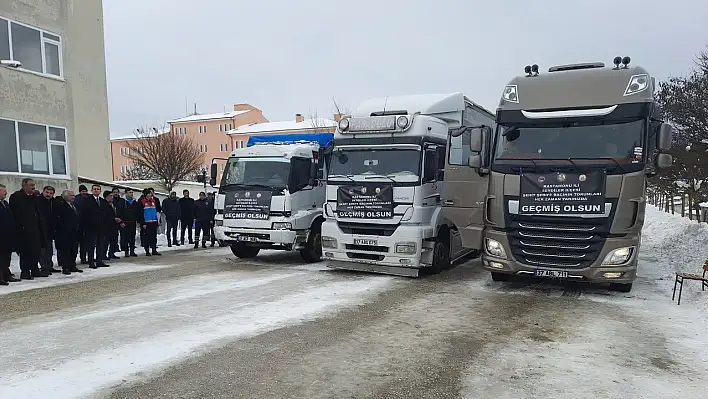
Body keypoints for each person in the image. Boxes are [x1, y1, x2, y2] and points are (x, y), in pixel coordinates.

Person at [9, 178, 48, 279]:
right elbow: (16, 214)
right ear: (24, 185)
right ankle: (25, 271)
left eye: (33, 185)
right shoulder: (17, 197)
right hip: (24, 230)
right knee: (25, 252)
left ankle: (34, 269)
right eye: (31, 185)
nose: (33, 187)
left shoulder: (35, 197)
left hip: (36, 229)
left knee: (36, 251)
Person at [77, 184, 109, 269]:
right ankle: (91, 262)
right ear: (91, 191)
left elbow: (106, 214)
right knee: (91, 246)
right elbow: (84, 215)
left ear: (100, 191)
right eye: (94, 189)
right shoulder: (87, 201)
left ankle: (99, 261)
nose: (96, 190)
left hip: (101, 228)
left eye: (98, 189)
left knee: (100, 245)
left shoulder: (103, 201)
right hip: (91, 228)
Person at [54, 190, 82, 274]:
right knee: (65, 251)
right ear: (65, 196)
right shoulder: (60, 205)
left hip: (74, 232)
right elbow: (59, 220)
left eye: (73, 195)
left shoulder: (74, 205)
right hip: (64, 233)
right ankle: (66, 267)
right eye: (71, 195)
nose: (73, 197)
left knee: (74, 250)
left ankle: (72, 265)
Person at [38, 186, 60, 275]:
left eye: (51, 193)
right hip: (40, 229)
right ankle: (44, 267)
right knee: (42, 251)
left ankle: (49, 266)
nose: (48, 195)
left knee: (49, 250)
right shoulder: (39, 201)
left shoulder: (53, 202)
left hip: (50, 229)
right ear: (43, 192)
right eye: (47, 192)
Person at [0, 184, 20, 285]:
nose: (6, 193)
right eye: (4, 191)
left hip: (8, 235)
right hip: (1, 235)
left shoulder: (5, 203)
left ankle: (6, 274)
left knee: (6, 256)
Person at [138, 189, 161, 256]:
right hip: (146, 222)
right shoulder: (142, 202)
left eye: (151, 193)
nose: (151, 195)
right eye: (149, 193)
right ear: (146, 195)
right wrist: (143, 223)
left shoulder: (154, 201)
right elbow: (140, 213)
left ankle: (154, 250)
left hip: (153, 221)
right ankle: (147, 251)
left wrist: (157, 220)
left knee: (154, 237)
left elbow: (157, 212)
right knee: (147, 237)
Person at [117, 188, 139, 257]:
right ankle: (126, 251)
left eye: (132, 192)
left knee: (132, 237)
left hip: (132, 222)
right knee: (125, 238)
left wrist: (138, 221)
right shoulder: (122, 201)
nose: (131, 194)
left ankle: (132, 251)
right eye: (130, 192)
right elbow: (119, 212)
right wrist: (121, 222)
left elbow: (137, 212)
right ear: (126, 193)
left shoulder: (134, 201)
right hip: (125, 222)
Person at [102, 191, 121, 261]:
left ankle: (111, 253)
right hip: (107, 226)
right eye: (110, 196)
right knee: (106, 241)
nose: (112, 197)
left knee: (114, 240)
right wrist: (113, 218)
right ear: (107, 196)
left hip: (114, 226)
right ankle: (103, 254)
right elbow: (105, 215)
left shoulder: (113, 204)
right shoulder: (104, 204)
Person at [74, 185, 90, 264]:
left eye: (85, 191)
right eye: (82, 191)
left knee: (86, 243)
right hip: (79, 224)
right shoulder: (77, 199)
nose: (84, 192)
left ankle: (85, 257)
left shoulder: (89, 198)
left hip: (88, 224)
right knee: (82, 243)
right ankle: (82, 257)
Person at [111, 187, 124, 254]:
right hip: (113, 220)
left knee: (123, 234)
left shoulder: (122, 200)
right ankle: (115, 247)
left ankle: (123, 246)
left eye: (117, 192)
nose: (115, 193)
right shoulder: (111, 200)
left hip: (121, 219)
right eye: (114, 192)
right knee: (114, 235)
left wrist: (122, 220)